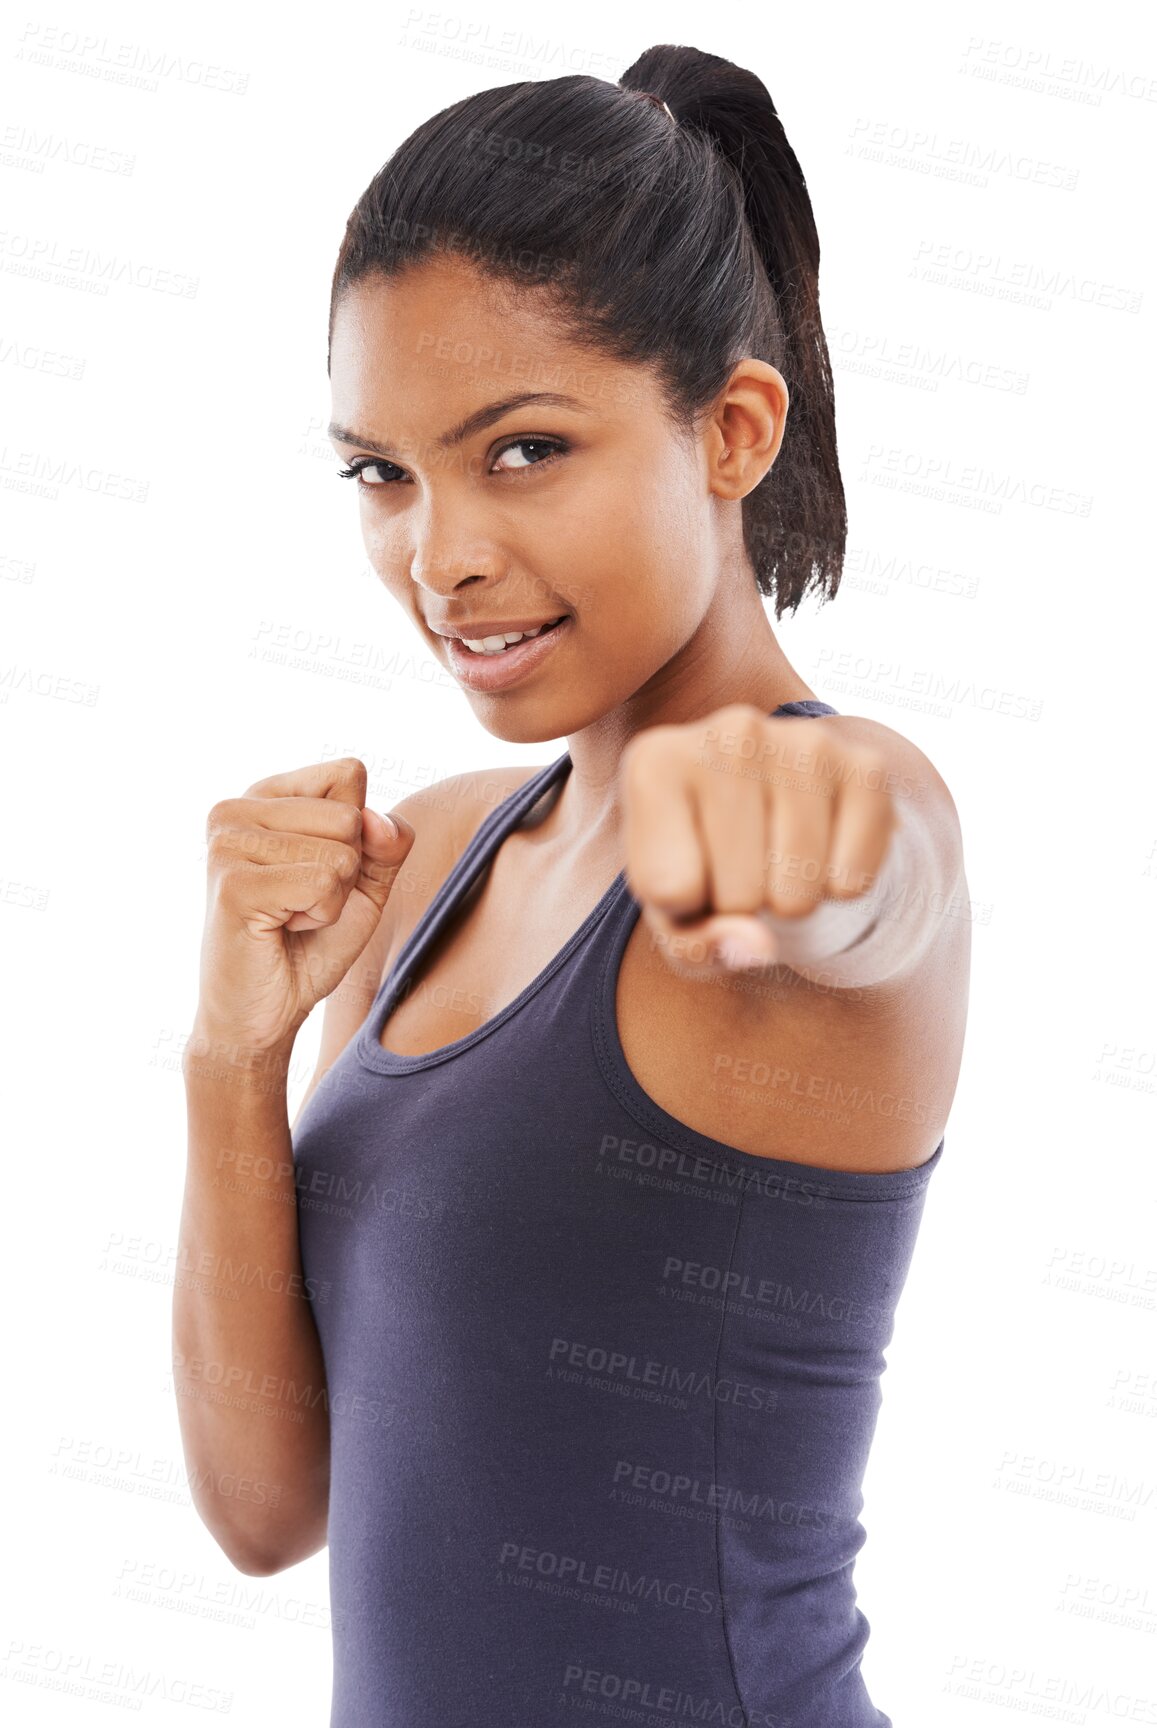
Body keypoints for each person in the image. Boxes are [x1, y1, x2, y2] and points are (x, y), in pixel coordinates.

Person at [174, 43, 970, 1727]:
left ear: (731, 430)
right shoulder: (436, 857)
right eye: (382, 473)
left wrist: (816, 855)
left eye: (521, 450)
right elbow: (266, 1514)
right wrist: (228, 1059)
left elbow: (870, 877)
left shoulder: (836, 801)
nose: (439, 555)